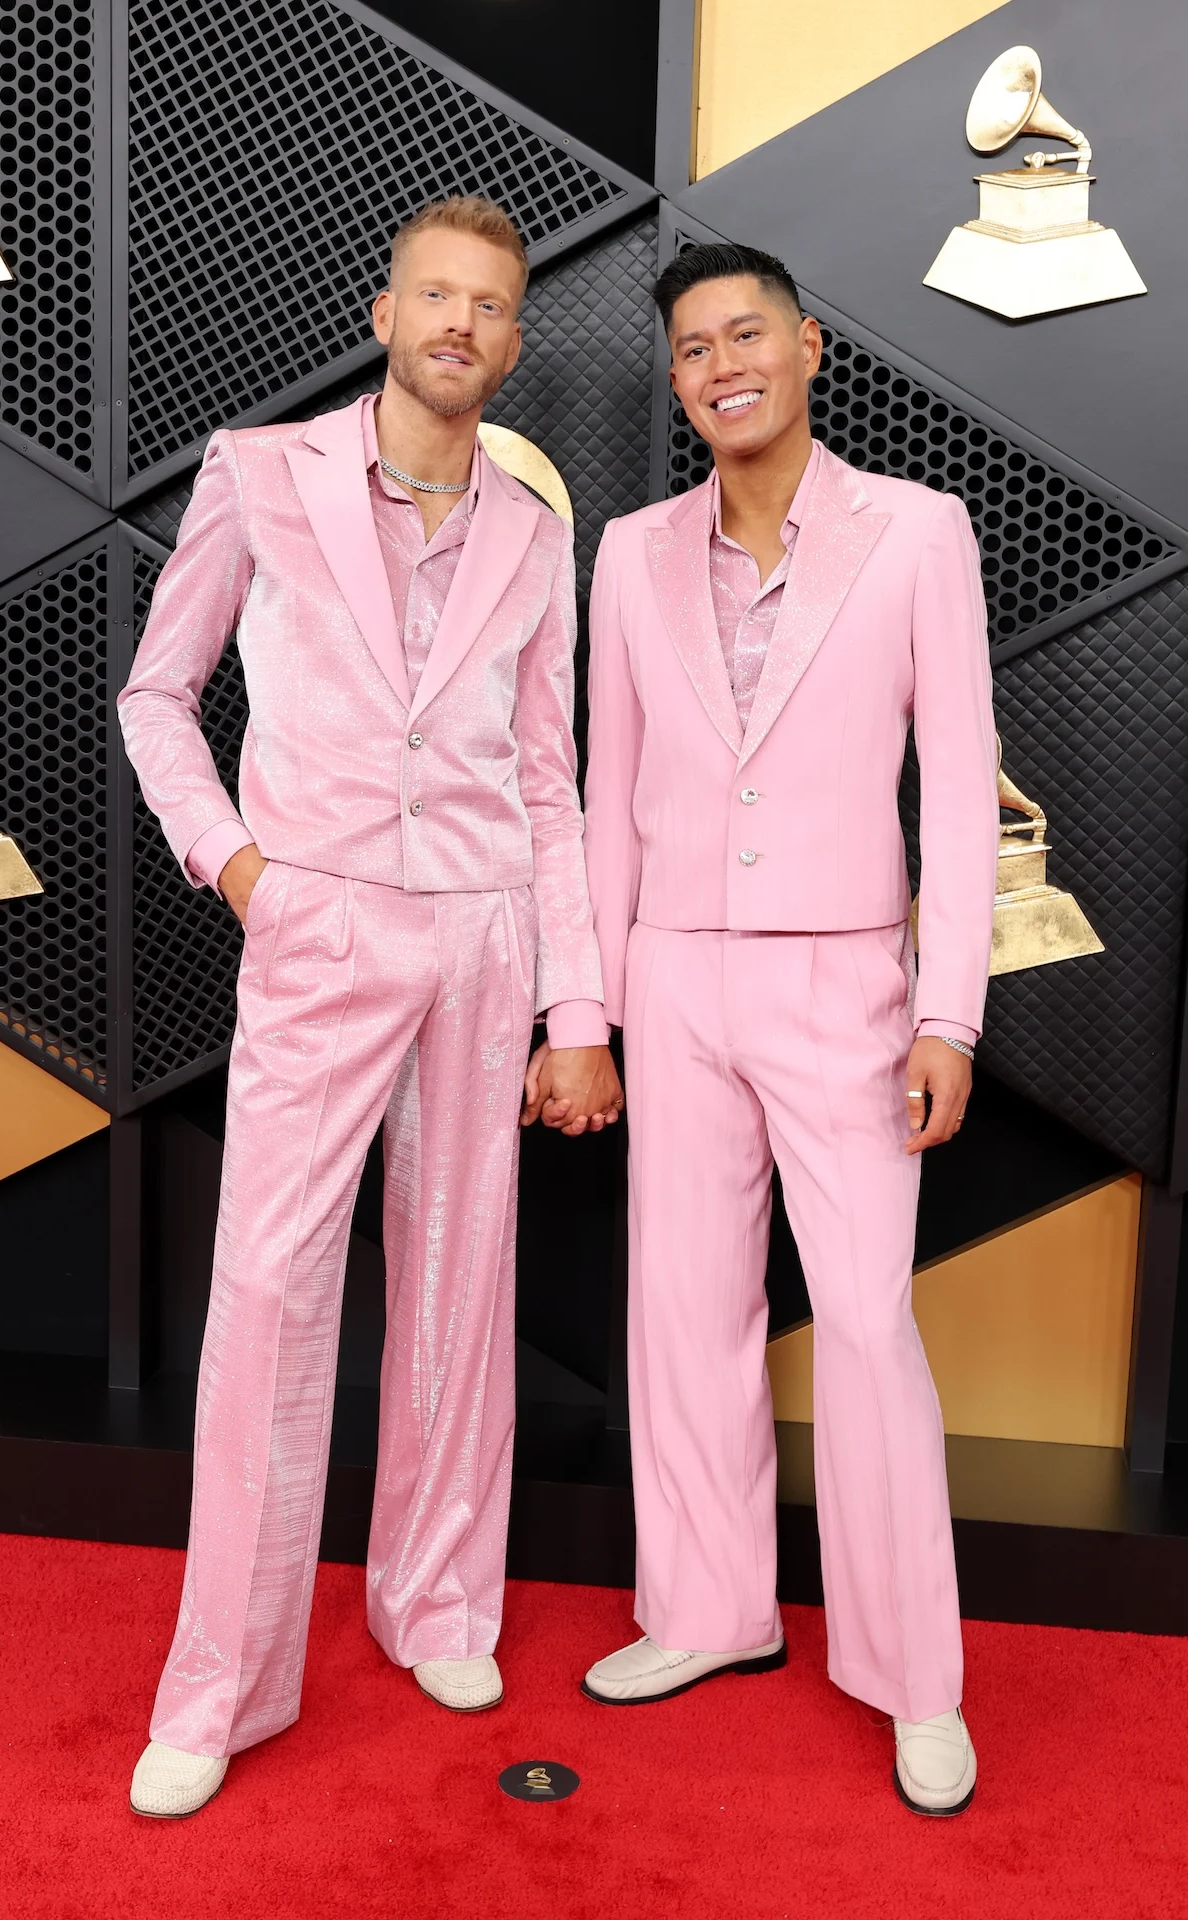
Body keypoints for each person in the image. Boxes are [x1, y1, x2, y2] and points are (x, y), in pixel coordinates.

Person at [118, 194, 622, 1820]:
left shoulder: (541, 538)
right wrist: (240, 868)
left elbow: (553, 787)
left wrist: (576, 1005)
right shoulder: (258, 475)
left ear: (514, 340)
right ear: (387, 308)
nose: (461, 323)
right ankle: (225, 1682)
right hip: (317, 922)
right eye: (436, 295)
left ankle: (437, 1603)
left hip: (483, 939)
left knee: (463, 1285)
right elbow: (155, 694)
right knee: (267, 1292)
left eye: (490, 305)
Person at [564, 241, 998, 1815]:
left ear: (811, 347)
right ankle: (705, 1610)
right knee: (682, 1312)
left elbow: (957, 790)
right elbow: (606, 802)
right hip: (672, 977)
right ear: (676, 379)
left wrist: (948, 1012)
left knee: (871, 1328)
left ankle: (915, 1680)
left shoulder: (918, 535)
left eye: (747, 333)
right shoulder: (626, 553)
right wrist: (585, 1013)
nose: (720, 363)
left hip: (848, 987)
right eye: (691, 347)